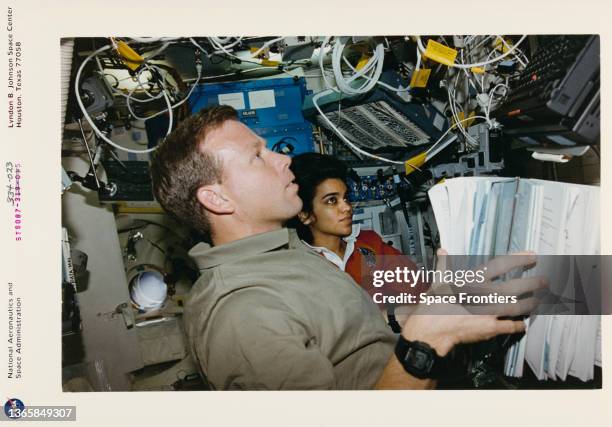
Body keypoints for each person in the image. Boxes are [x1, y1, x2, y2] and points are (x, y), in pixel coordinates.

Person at [150, 105, 544, 390]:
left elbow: (346, 345)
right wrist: (425, 342)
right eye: (257, 156)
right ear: (217, 199)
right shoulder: (242, 315)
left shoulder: (278, 253)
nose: (283, 160)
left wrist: (404, 319)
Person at [288, 152, 426, 330]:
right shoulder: (298, 267)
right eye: (332, 201)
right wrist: (390, 316)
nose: (346, 207)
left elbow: (418, 291)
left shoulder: (369, 243)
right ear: (305, 215)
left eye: (346, 198)